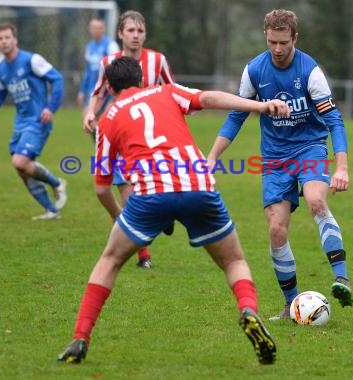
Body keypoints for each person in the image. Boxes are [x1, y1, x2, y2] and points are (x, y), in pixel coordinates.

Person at [57, 56, 287, 365]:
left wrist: (119, 217)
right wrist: (259, 106)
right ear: (141, 79)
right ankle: (248, 310)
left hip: (150, 194)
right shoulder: (165, 91)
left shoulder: (108, 118)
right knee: (233, 260)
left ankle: (80, 339)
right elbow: (208, 98)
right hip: (197, 184)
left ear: (109, 87)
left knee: (109, 260)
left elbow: (102, 188)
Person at [207, 9, 353, 320]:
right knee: (276, 230)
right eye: (272, 41)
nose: (277, 48)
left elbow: (334, 121)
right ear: (266, 37)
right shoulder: (255, 71)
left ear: (295, 38)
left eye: (284, 42)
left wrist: (341, 167)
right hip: (274, 159)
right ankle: (290, 305)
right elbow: (236, 115)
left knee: (316, 200)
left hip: (310, 148)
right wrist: (212, 157)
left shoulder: (310, 71)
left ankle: (341, 276)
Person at [83, 10, 176, 269]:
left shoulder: (158, 61)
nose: (136, 36)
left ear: (145, 34)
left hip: (153, 138)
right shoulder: (108, 63)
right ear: (120, 34)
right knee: (129, 197)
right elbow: (99, 92)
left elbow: (172, 92)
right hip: (122, 138)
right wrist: (91, 112)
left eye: (140, 31)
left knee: (153, 193)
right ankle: (142, 254)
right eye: (131, 31)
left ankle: (163, 215)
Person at [0, 22, 67, 220]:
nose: (4, 41)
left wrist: (50, 108)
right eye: (0, 39)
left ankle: (57, 183)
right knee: (22, 170)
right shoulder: (1, 69)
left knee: (19, 161)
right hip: (20, 123)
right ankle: (52, 210)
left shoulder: (31, 60)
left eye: (7, 37)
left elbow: (57, 79)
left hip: (37, 121)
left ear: (15, 39)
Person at [76, 18, 120, 108]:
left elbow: (117, 70)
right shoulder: (90, 46)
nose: (96, 30)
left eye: (99, 28)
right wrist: (82, 90)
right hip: (92, 89)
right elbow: (88, 71)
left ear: (104, 29)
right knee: (90, 119)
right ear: (89, 29)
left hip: (106, 91)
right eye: (94, 28)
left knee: (90, 117)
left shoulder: (111, 45)